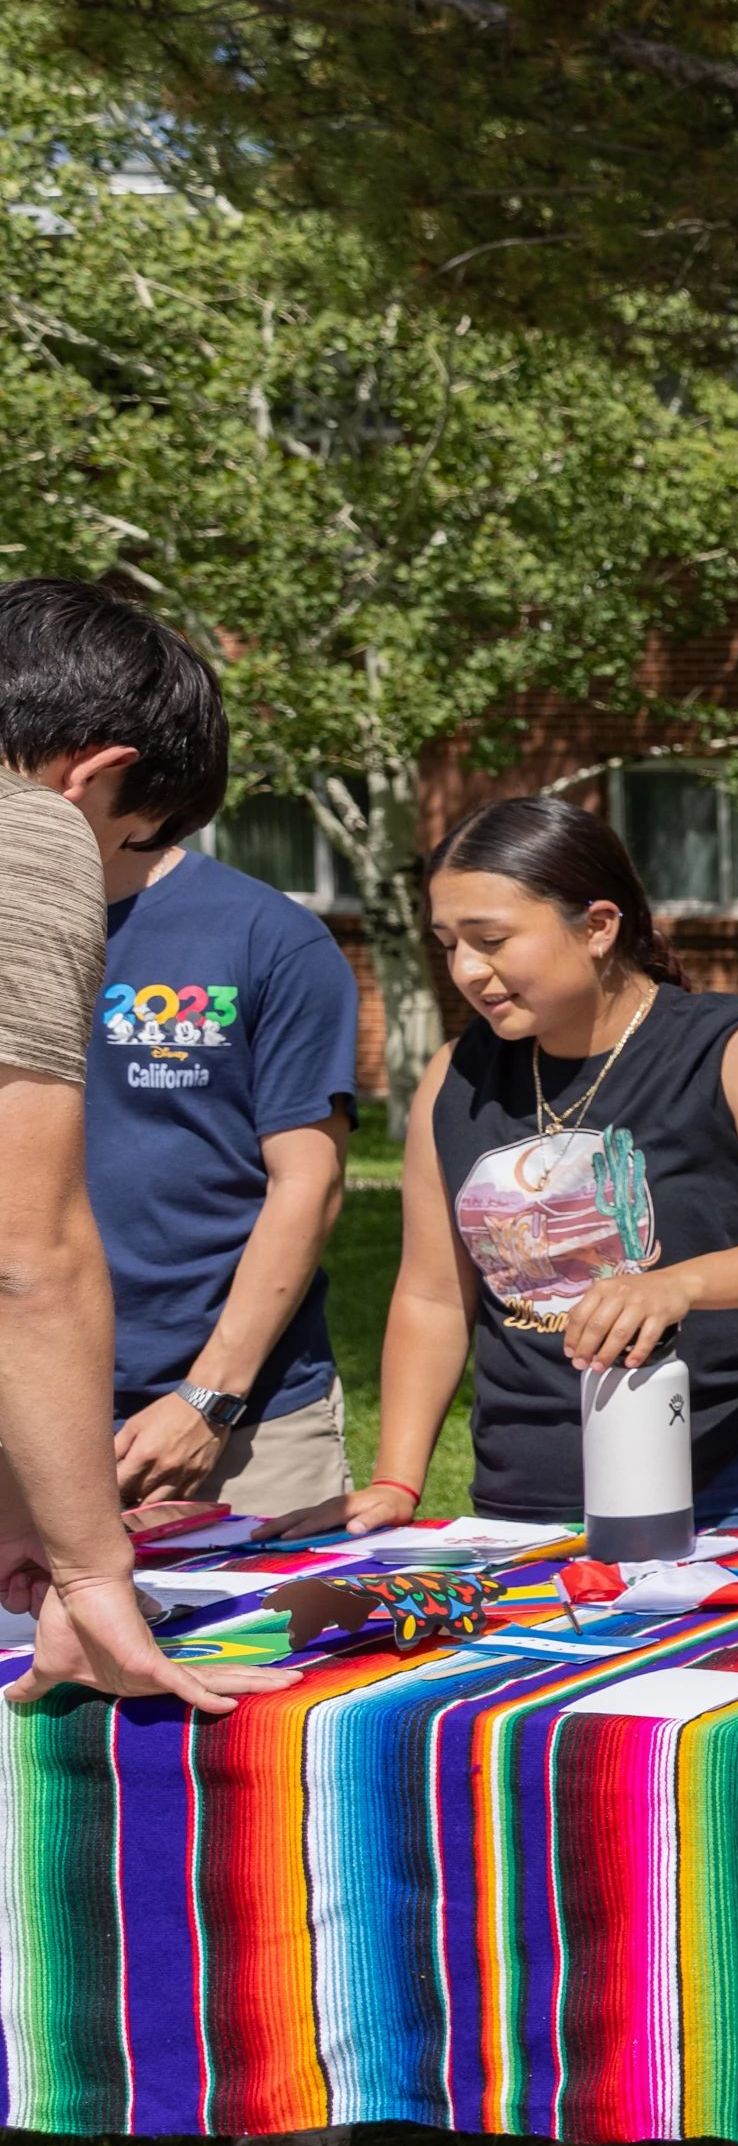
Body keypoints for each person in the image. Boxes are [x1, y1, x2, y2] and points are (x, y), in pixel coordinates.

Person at [354, 797, 738, 1537]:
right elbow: (434, 1297)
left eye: (492, 939)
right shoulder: (455, 1077)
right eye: (448, 944)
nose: (467, 970)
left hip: (726, 1470)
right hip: (525, 1484)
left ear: (599, 927)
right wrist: (396, 1481)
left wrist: (679, 1284)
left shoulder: (733, 1046)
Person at [7, 588, 362, 1531]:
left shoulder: (270, 940)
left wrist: (211, 1396)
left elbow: (309, 1184)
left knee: (272, 1677)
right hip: (23, 1403)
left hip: (237, 1427)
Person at [0, 583, 274, 1714]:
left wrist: (24, 1506)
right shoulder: (33, 833)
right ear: (97, 773)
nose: (118, 870)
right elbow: (29, 1249)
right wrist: (90, 1568)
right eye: (131, 839)